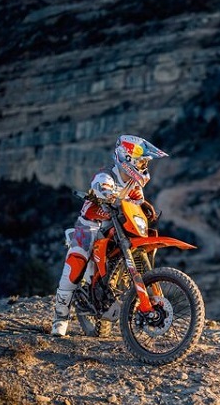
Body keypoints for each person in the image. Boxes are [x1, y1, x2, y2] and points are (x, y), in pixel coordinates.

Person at [51, 134, 168, 337]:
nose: (143, 165)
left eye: (144, 162)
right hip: (91, 224)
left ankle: (123, 290)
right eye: (141, 161)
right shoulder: (107, 175)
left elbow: (137, 202)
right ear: (127, 159)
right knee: (76, 262)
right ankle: (60, 319)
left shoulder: (134, 184)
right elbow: (100, 186)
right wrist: (107, 195)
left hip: (116, 227)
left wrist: (146, 209)